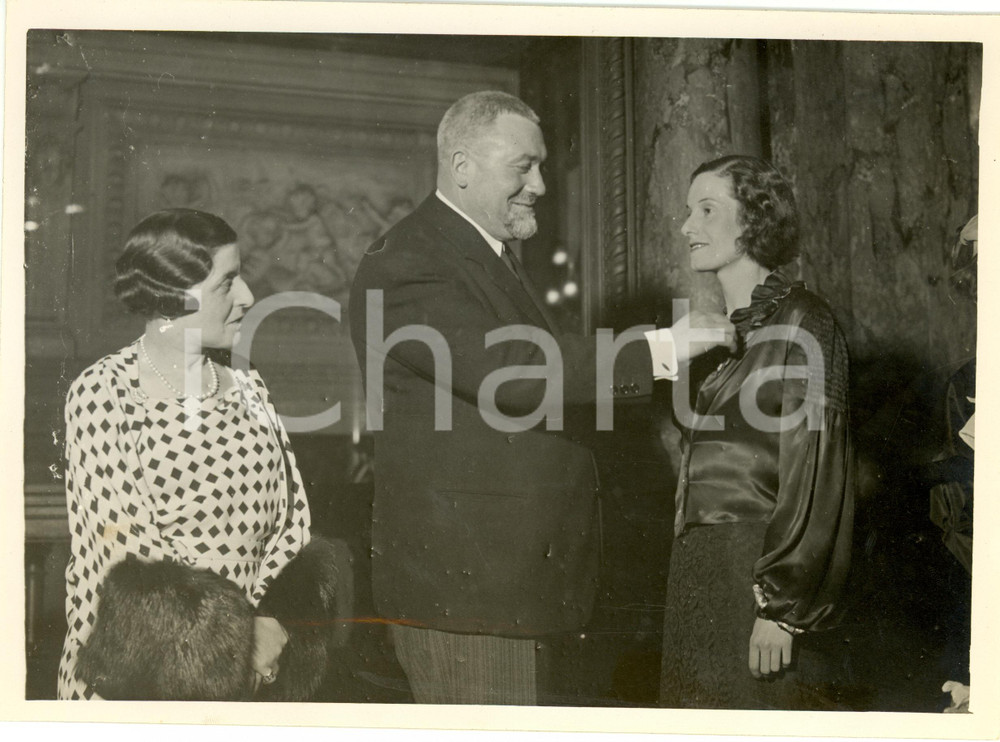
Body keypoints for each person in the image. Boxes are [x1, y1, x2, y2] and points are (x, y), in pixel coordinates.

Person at [348, 90, 735, 705]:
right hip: (470, 599)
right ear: (462, 165)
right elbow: (512, 368)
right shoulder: (412, 260)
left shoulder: (480, 254)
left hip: (512, 587)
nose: (541, 185)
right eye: (523, 167)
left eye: (542, 165)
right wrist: (660, 349)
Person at [58, 208, 329, 700]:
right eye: (227, 283)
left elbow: (292, 525)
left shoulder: (247, 382)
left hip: (253, 671)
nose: (248, 297)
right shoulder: (103, 391)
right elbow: (132, 561)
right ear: (173, 296)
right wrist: (234, 642)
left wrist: (268, 624)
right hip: (144, 683)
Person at [659, 155, 855, 709]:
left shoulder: (804, 321)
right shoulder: (722, 337)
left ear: (754, 220)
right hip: (703, 573)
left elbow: (816, 472)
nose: (686, 227)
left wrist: (782, 608)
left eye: (706, 210)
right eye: (686, 211)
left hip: (759, 578)